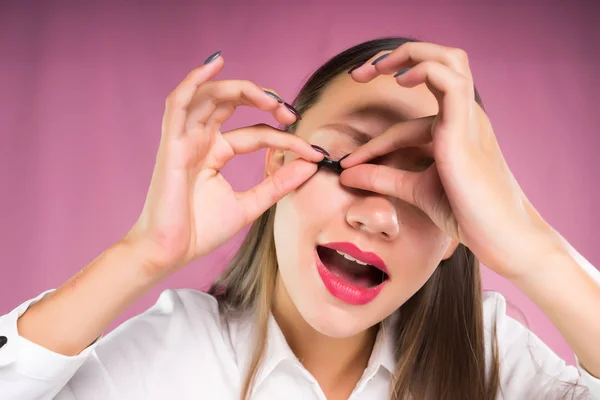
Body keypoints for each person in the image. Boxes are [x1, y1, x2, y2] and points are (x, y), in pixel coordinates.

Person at [0, 37, 599, 400]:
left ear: (455, 236)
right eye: (342, 158)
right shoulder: (170, 353)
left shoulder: (491, 360)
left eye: (426, 185)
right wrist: (142, 255)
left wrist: (533, 247)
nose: (378, 215)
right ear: (279, 163)